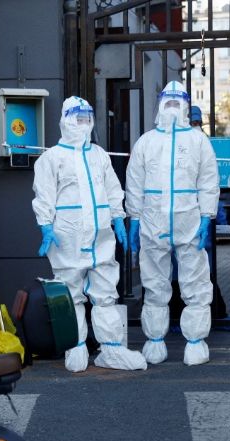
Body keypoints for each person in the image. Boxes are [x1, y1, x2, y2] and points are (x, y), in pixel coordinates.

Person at [32, 96, 147, 373]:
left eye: (86, 119)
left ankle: (111, 350)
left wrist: (118, 216)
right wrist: (45, 225)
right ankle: (76, 346)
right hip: (67, 237)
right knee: (70, 295)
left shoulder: (98, 155)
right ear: (65, 120)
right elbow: (44, 194)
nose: (82, 125)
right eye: (77, 119)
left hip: (100, 237)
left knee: (106, 293)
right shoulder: (51, 158)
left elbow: (111, 189)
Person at [126, 81, 220, 366]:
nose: (172, 107)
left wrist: (206, 215)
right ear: (159, 105)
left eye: (177, 102)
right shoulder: (146, 142)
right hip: (154, 221)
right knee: (154, 283)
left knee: (195, 281)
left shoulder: (198, 141)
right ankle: (154, 341)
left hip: (188, 219)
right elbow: (135, 183)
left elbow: (208, 180)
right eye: (168, 102)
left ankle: (196, 342)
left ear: (185, 106)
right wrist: (134, 217)